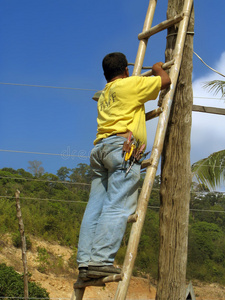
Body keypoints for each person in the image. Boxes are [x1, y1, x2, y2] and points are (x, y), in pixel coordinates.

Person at [76, 52, 171, 281]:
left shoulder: (104, 94)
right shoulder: (131, 85)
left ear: (105, 74)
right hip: (123, 147)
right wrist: (158, 67)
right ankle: (100, 261)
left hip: (100, 149)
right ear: (126, 70)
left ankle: (85, 263)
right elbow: (165, 81)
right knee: (118, 205)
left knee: (95, 208)